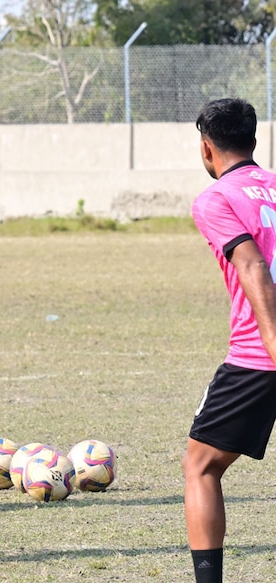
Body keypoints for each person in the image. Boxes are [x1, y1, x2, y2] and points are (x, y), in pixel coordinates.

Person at [187, 97, 276, 583]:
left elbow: (251, 264)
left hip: (258, 356)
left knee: (200, 465)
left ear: (206, 148)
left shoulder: (216, 198)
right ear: (254, 140)